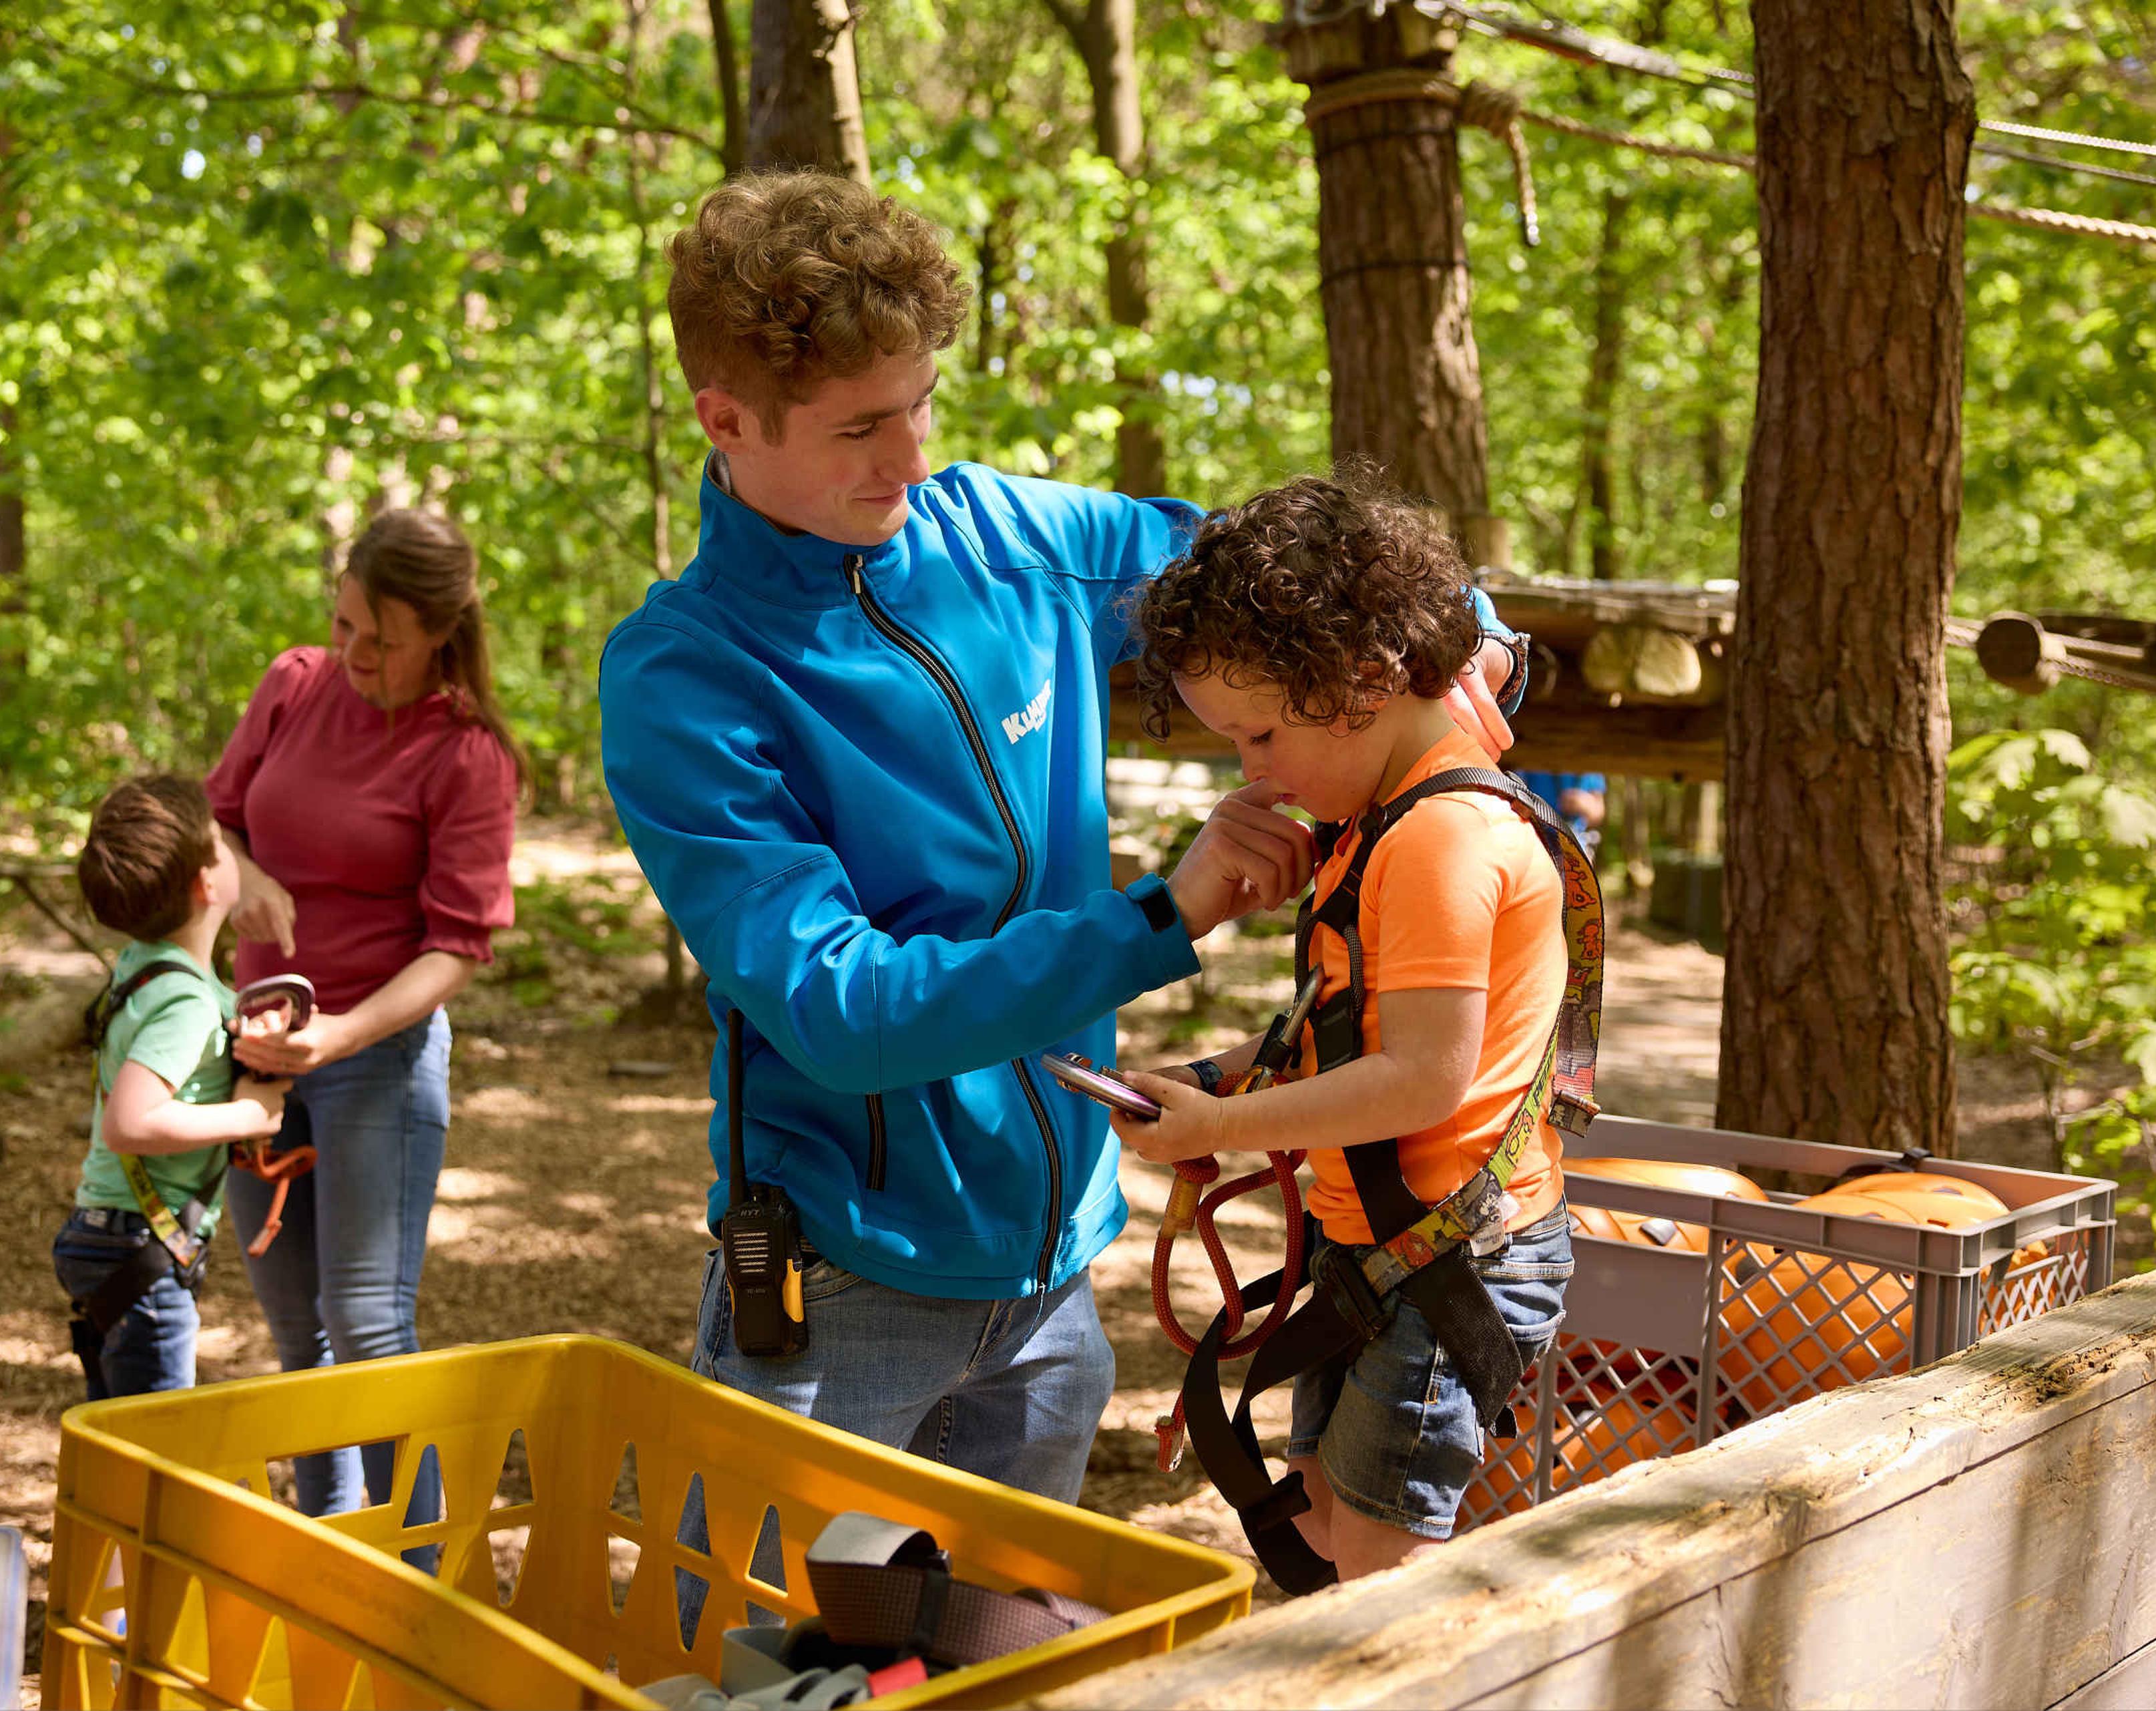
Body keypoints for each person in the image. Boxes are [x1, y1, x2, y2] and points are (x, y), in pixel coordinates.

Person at [596, 169, 1528, 1553]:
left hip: (1055, 1278)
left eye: (920, 405)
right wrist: (1163, 914)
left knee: (1010, 1660)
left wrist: (1463, 628)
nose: (909, 459)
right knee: (770, 1670)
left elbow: (1274, 567)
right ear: (723, 420)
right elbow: (845, 1013)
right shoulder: (687, 675)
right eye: (860, 427)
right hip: (846, 1286)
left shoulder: (1009, 539)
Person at [1110, 468, 1579, 1582]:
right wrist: (1218, 1081)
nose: (1251, 772)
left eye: (1262, 735)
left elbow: (1421, 1079)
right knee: (1322, 1520)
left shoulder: (1436, 838)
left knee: (1381, 1569)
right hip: (1384, 1248)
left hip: (1453, 1256)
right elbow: (1349, 1041)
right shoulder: (1381, 823)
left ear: (1366, 680)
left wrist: (1218, 1130)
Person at [206, 509, 520, 1533]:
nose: (355, 655)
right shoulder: (295, 684)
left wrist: (339, 1036)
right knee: (300, 1340)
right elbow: (217, 817)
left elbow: (457, 946)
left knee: (370, 1328)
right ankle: (330, 1561)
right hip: (256, 1053)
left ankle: (420, 1575)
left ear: (440, 629)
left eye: (381, 640)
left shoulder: (465, 752)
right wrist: (244, 875)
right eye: (345, 624)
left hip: (374, 1059)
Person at [55, 774, 290, 1400]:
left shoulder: (148, 970)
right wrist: (249, 1115)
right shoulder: (186, 999)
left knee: (123, 1439)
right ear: (208, 882)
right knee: (157, 1451)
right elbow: (131, 1123)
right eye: (220, 843)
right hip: (140, 1243)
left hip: (112, 1233)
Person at [1514, 769, 1605, 860]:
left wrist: (1585, 803)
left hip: (1575, 846)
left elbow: (1598, 812)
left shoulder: (1591, 765)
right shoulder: (1531, 761)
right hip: (1535, 842)